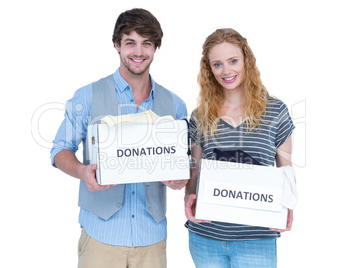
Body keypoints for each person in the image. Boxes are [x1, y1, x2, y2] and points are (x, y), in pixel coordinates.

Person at [50, 8, 188, 268]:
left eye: (146, 43)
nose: (138, 52)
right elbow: (59, 149)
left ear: (155, 47)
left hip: (152, 240)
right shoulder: (87, 96)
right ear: (117, 45)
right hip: (101, 237)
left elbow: (184, 163)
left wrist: (180, 178)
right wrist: (82, 171)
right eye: (130, 43)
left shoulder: (175, 105)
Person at [184, 28, 295, 268]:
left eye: (233, 61)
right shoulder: (200, 116)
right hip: (206, 236)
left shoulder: (276, 112)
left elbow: (286, 170)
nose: (227, 71)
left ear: (247, 60)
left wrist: (288, 206)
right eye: (218, 64)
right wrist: (188, 199)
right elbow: (195, 171)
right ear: (209, 69)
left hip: (256, 237)